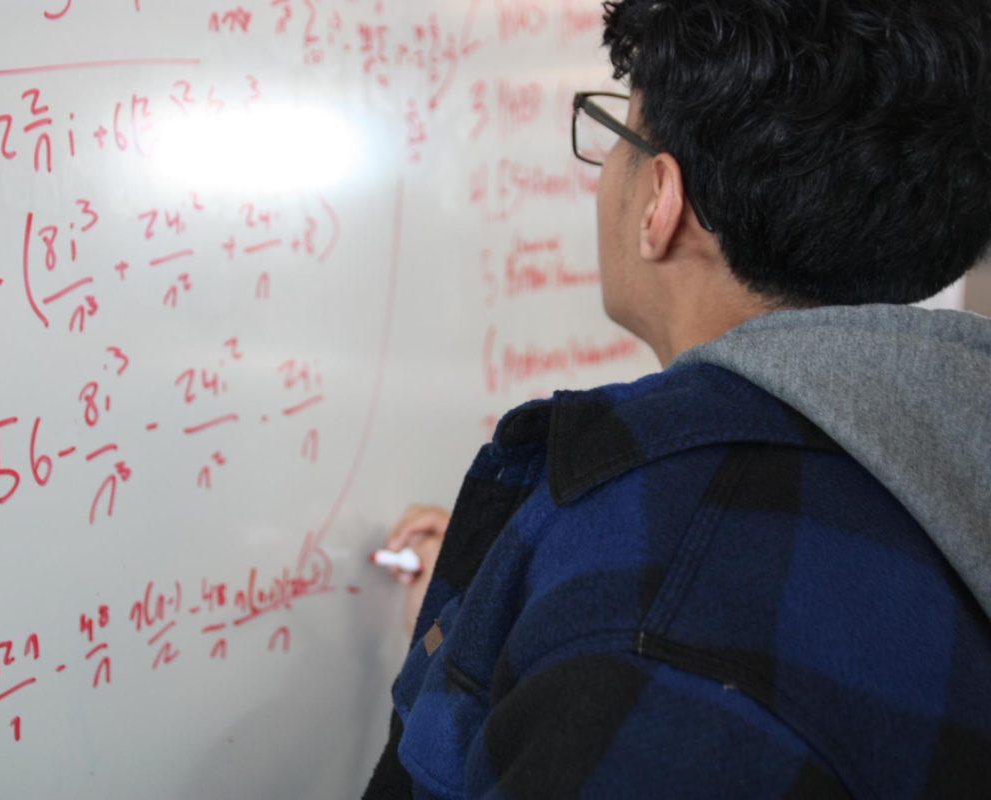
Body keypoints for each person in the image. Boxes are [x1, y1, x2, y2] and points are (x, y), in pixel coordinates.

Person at [363, 0, 991, 797]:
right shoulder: (938, 457)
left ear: (661, 200)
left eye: (618, 137)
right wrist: (517, 615)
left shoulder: (654, 623)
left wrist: (595, 618)